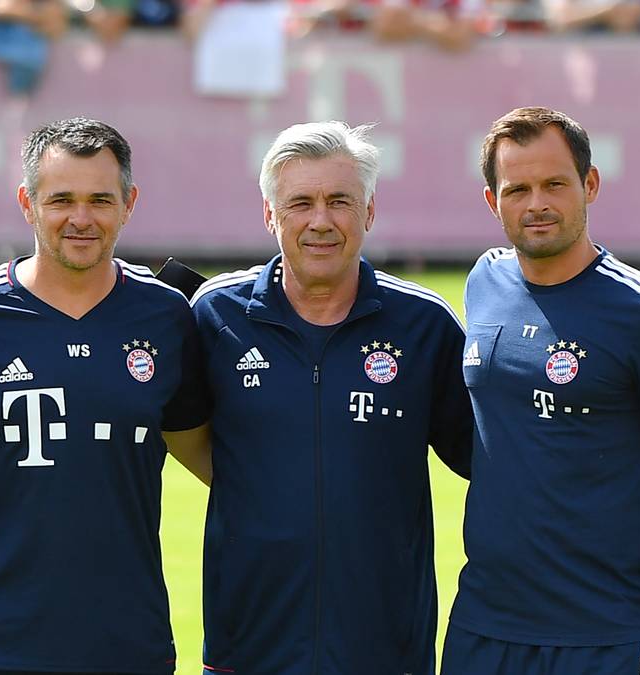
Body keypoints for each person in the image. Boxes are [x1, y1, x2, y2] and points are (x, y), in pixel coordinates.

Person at [0, 117, 210, 673]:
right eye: (61, 199)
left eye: (100, 199)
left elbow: (216, 462)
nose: (81, 218)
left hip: (125, 641)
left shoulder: (167, 317)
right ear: (27, 202)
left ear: (129, 203)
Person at [442, 107, 640, 675]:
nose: (536, 204)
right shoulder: (485, 281)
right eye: (517, 189)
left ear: (589, 184)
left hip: (607, 637)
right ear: (491, 201)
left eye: (554, 184)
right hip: (482, 628)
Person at [185, 121, 474, 674]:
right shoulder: (213, 316)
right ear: (270, 215)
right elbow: (178, 433)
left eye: (340, 201)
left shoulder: (425, 325)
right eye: (300, 203)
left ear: (368, 212)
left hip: (386, 648)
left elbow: (493, 465)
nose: (321, 221)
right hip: (247, 647)